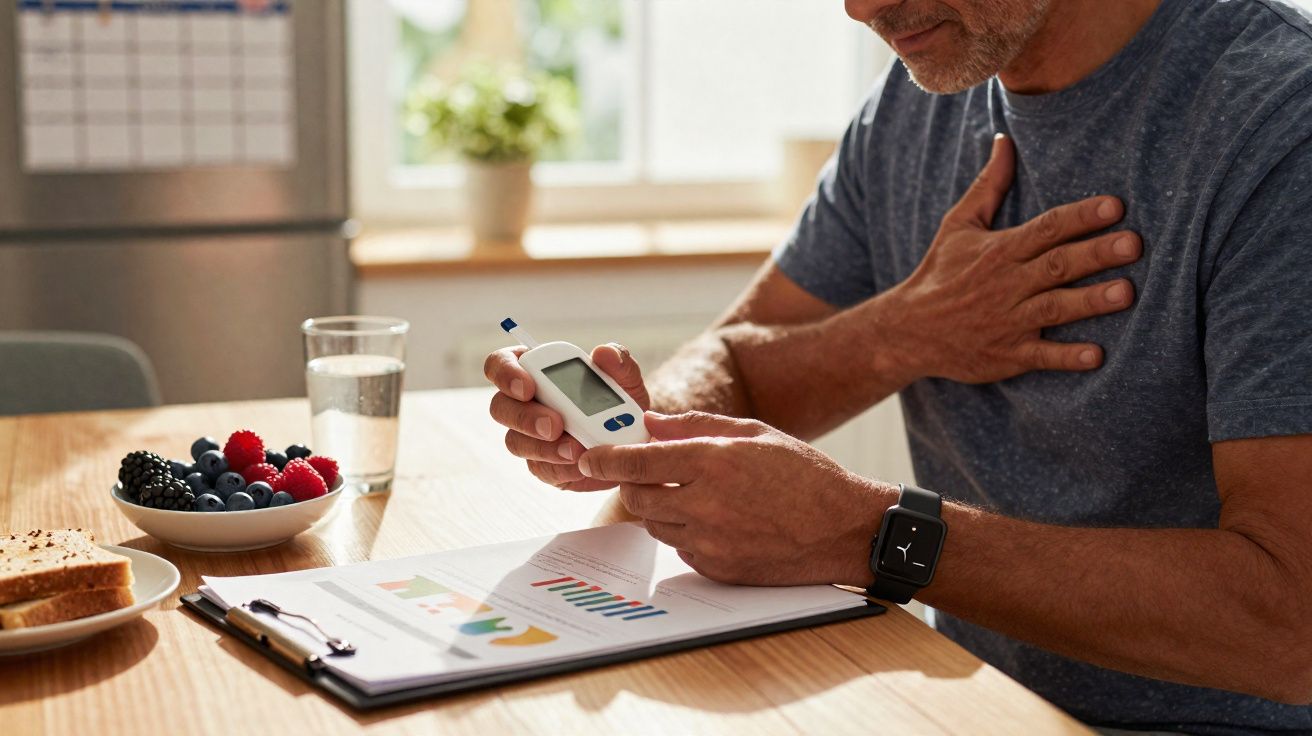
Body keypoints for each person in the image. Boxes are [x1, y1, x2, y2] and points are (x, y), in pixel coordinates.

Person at [485, 0, 1312, 731]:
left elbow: (1294, 627)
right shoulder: (925, 95)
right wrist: (904, 331)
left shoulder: (1282, 123)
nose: (860, 7)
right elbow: (739, 357)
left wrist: (870, 532)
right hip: (975, 700)